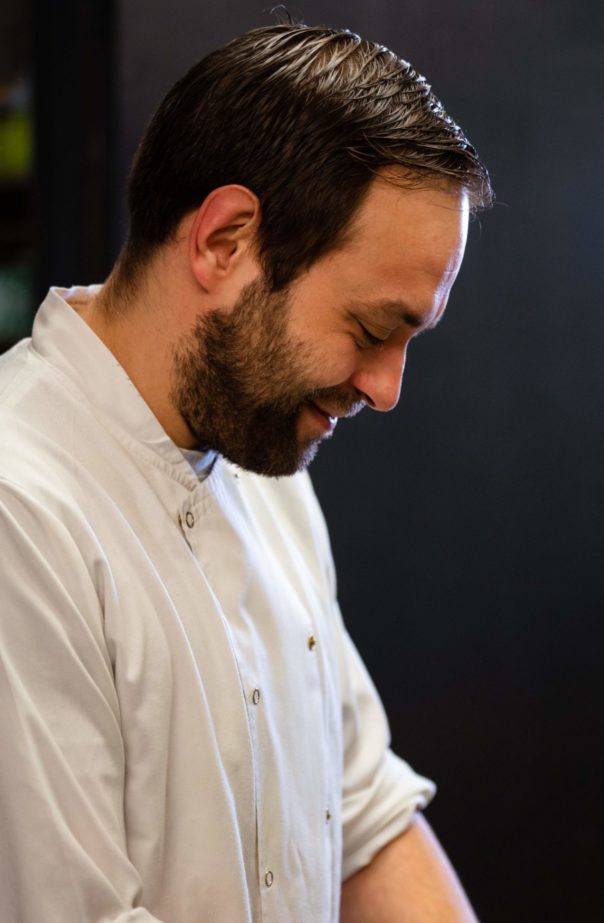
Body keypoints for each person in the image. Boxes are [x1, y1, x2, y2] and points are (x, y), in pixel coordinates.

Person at [0, 22, 492, 923]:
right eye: (372, 331)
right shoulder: (19, 509)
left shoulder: (265, 464)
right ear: (225, 240)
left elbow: (366, 820)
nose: (386, 390)